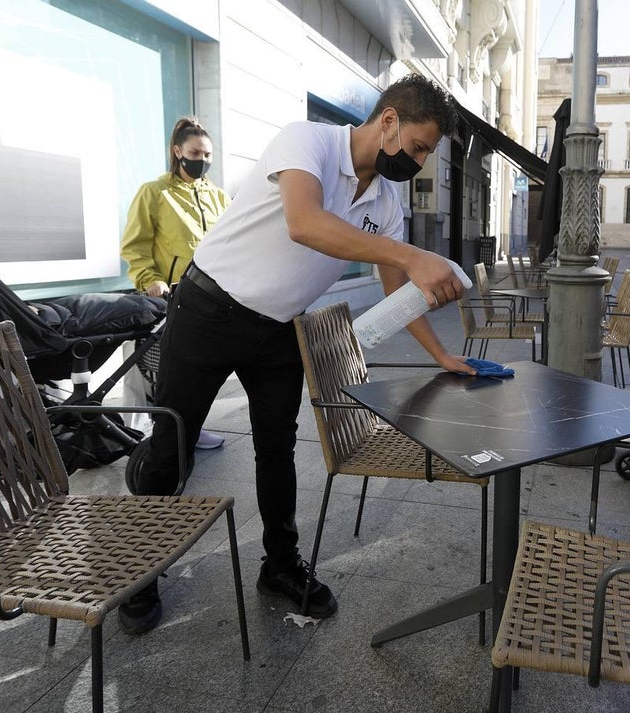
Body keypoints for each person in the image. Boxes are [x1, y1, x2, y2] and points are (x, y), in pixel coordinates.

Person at [118, 74, 473, 635]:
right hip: (208, 308)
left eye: (428, 152)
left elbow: (395, 291)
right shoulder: (306, 140)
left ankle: (280, 565)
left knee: (277, 450)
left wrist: (442, 356)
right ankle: (139, 571)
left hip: (279, 329)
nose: (421, 161)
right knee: (171, 447)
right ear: (388, 122)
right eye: (419, 146)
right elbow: (305, 224)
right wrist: (411, 255)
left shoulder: (384, 199)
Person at [119, 116, 230, 450]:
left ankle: (190, 429)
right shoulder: (154, 193)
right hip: (170, 295)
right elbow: (135, 245)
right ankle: (157, 433)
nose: (203, 161)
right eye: (196, 153)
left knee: (201, 369)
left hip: (210, 297)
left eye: (208, 155)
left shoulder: (218, 196)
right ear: (178, 151)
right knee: (166, 369)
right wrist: (149, 279)